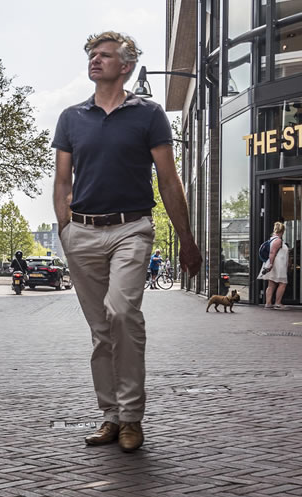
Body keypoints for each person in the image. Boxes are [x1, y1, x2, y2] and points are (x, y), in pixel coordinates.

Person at [52, 31, 201, 452]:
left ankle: (132, 416)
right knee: (101, 331)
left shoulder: (148, 114)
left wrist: (186, 239)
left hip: (131, 229)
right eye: (92, 54)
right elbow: (62, 181)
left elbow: (169, 180)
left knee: (121, 313)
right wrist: (65, 230)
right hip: (81, 232)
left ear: (126, 65)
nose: (95, 60)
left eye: (104, 55)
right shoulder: (71, 117)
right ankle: (112, 416)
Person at [258, 221, 289, 310]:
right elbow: (272, 253)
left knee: (271, 284)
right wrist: (271, 264)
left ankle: (268, 303)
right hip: (278, 265)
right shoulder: (278, 240)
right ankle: (278, 303)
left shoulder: (272, 239)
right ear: (282, 231)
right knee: (282, 283)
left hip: (273, 263)